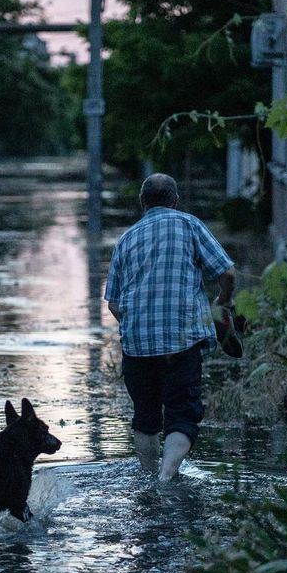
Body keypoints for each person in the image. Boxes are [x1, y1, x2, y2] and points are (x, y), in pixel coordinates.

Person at [104, 173, 236, 481]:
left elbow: (112, 303)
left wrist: (138, 325)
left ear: (142, 203)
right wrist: (222, 304)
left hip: (137, 345)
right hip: (182, 340)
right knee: (183, 413)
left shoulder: (126, 239)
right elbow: (227, 274)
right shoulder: (189, 225)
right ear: (175, 201)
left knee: (146, 417)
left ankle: (150, 479)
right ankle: (165, 477)